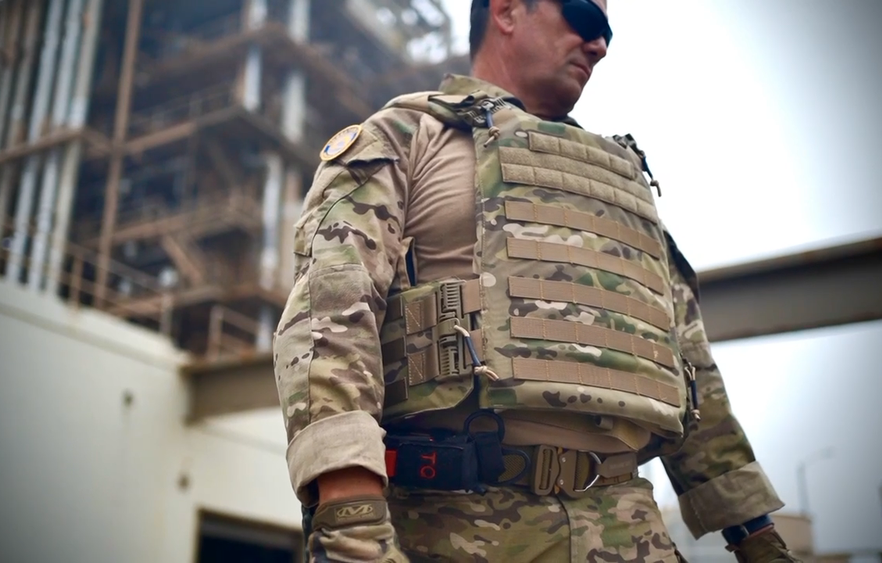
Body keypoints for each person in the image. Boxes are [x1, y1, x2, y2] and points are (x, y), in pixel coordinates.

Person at [274, 0, 801, 561]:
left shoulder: (621, 181)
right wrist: (351, 520)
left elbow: (690, 367)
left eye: (608, 32)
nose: (599, 45)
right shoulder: (406, 137)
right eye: (584, 17)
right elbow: (329, 319)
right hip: (452, 525)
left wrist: (760, 541)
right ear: (506, 11)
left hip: (630, 529)